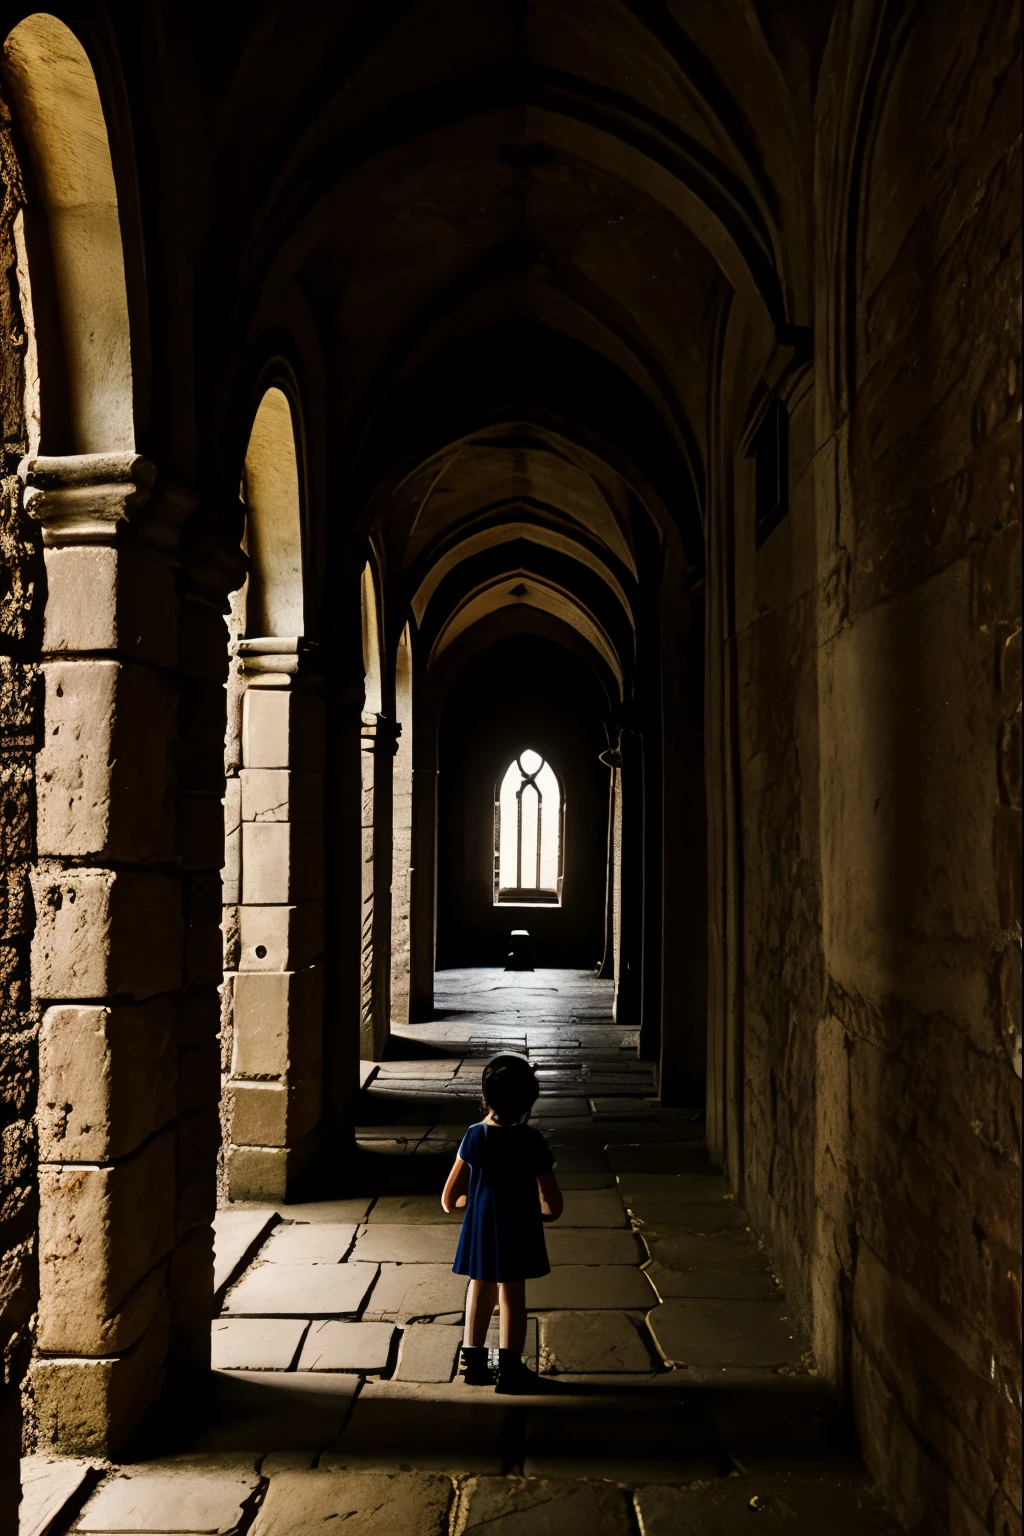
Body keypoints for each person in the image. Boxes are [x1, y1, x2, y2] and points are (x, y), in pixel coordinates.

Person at [441, 1053, 563, 1392]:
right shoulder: (532, 1142)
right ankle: (509, 1369)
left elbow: (449, 1201)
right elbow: (554, 1205)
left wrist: (478, 1204)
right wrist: (537, 1214)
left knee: (479, 1288)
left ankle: (474, 1363)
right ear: (529, 1100)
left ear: (486, 1097)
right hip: (518, 1230)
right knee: (512, 1293)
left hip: (481, 1230)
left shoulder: (474, 1136)